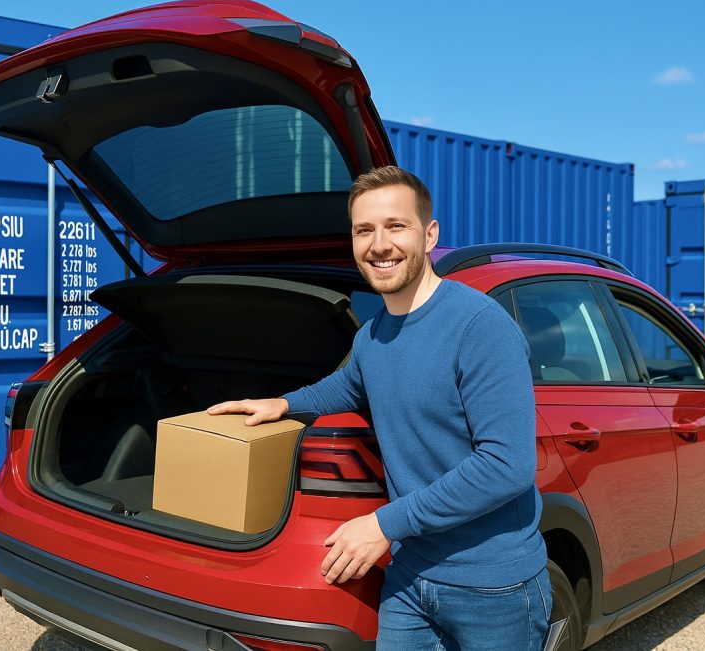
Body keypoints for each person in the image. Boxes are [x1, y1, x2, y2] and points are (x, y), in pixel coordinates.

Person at [207, 166, 551, 650]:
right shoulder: (373, 334)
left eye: (396, 226)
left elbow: (507, 466)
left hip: (491, 585)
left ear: (429, 235)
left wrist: (385, 524)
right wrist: (282, 403)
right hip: (410, 576)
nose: (379, 244)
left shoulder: (479, 327)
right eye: (364, 230)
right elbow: (347, 387)